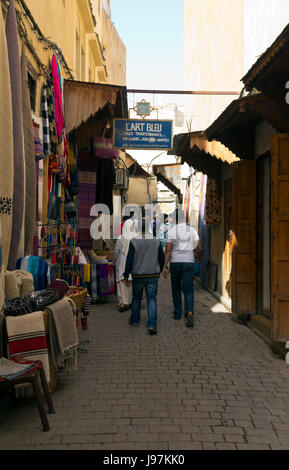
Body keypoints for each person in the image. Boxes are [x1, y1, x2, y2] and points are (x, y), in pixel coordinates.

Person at [124, 218, 165, 335]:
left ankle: (135, 320)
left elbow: (129, 259)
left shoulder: (133, 241)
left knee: (136, 298)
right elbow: (161, 258)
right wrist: (162, 268)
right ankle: (152, 324)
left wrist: (126, 274)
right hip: (153, 274)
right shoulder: (156, 241)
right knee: (151, 298)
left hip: (138, 275)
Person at [163, 209, 202, 328]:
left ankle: (177, 313)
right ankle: (189, 312)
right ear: (184, 218)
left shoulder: (171, 231)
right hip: (189, 262)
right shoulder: (192, 230)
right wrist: (196, 256)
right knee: (188, 289)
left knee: (176, 288)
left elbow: (168, 250)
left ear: (175, 219)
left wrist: (165, 266)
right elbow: (200, 247)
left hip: (175, 262)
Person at [114, 217, 138, 312]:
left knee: (122, 283)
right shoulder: (136, 237)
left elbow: (116, 252)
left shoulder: (120, 238)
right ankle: (132, 301)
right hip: (134, 262)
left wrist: (114, 260)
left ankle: (123, 302)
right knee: (131, 282)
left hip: (122, 262)